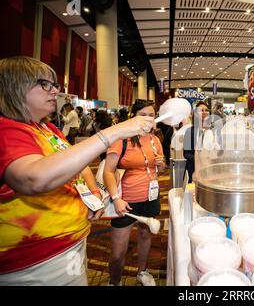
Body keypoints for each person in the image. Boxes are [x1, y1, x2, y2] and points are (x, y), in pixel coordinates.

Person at [0, 56, 155, 285]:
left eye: (55, 85)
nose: (55, 91)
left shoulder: (47, 128)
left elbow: (80, 166)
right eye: (45, 84)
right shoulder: (7, 130)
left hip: (70, 244)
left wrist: (92, 193)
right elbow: (33, 179)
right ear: (15, 86)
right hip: (35, 261)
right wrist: (114, 132)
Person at [103, 100, 165, 286]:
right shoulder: (122, 139)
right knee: (118, 252)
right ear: (134, 116)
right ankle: (114, 282)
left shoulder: (155, 140)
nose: (148, 119)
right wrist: (116, 199)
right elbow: (107, 171)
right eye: (143, 115)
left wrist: (161, 166)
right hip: (125, 201)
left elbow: (157, 168)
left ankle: (142, 272)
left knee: (146, 237)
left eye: (152, 115)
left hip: (150, 197)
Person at [183, 101, 210, 183]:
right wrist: (199, 159)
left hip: (208, 170)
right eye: (201, 110)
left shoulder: (213, 131)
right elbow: (186, 154)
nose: (204, 112)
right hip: (193, 169)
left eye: (206, 110)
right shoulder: (189, 131)